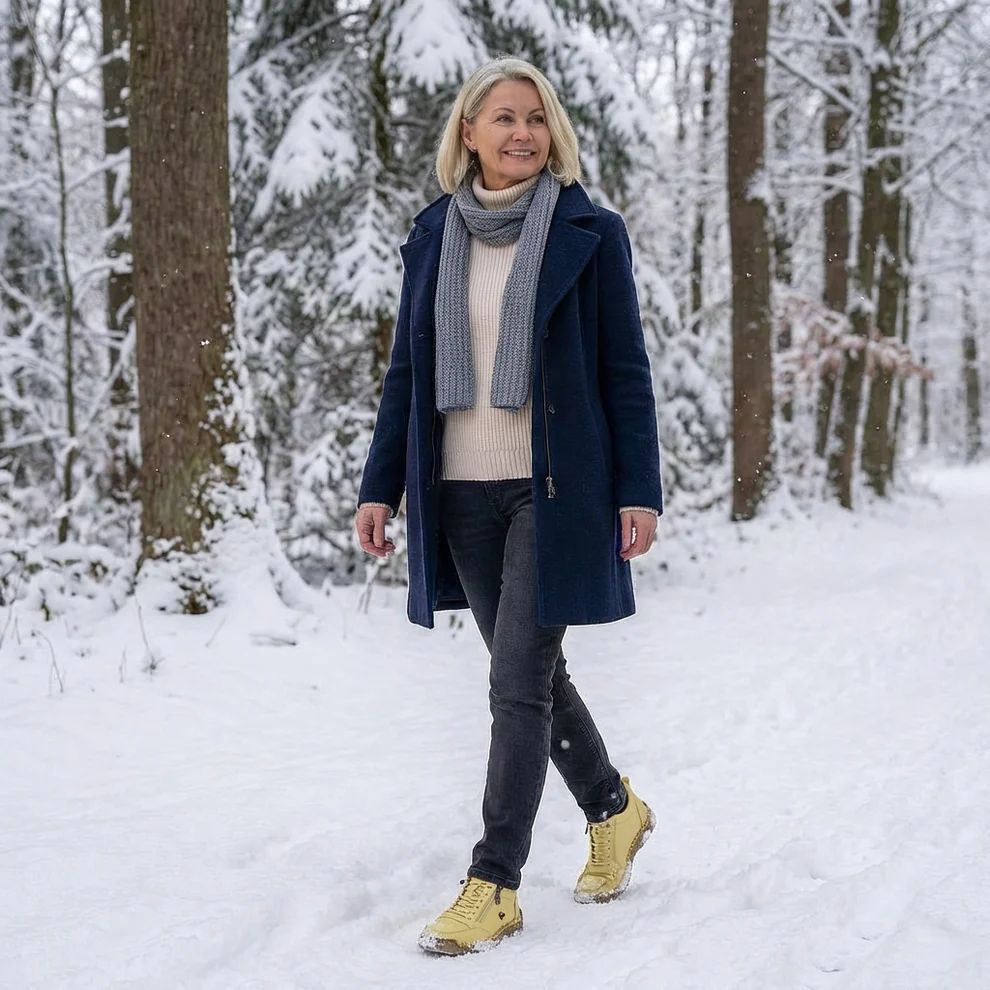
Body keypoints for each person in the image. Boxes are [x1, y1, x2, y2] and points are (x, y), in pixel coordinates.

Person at [354, 55, 663, 956]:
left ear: (551, 131)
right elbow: (407, 373)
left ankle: (494, 882)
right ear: (469, 132)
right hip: (458, 490)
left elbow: (624, 370)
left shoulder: (589, 233)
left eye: (535, 117)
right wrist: (380, 485)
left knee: (515, 685)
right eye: (503, 117)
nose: (522, 132)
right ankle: (614, 808)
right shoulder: (432, 236)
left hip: (553, 490)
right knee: (532, 675)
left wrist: (639, 490)